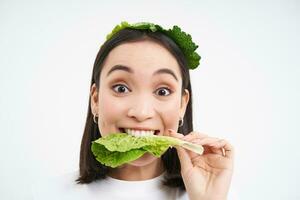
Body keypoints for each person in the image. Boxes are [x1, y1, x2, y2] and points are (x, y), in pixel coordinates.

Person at [32, 21, 234, 200]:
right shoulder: (48, 194)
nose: (141, 112)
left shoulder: (212, 194)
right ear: (95, 99)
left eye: (162, 91)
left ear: (182, 104)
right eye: (121, 88)